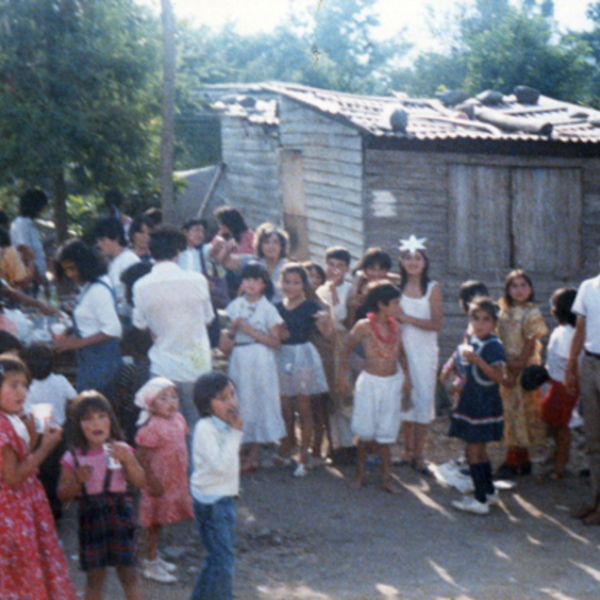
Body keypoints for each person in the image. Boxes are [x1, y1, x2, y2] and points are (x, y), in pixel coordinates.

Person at [0, 354, 78, 599]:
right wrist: (46, 447)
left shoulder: (10, 419)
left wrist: (32, 431)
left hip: (22, 506)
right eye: (13, 385)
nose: (21, 391)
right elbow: (12, 477)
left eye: (25, 385)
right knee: (21, 566)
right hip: (12, 510)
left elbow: (25, 451)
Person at [58, 391, 146, 600]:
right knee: (95, 580)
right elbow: (63, 495)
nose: (96, 423)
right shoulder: (73, 456)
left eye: (101, 416)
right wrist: (77, 480)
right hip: (91, 518)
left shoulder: (121, 449)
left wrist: (129, 461)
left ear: (110, 419)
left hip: (120, 517)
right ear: (78, 425)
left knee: (129, 575)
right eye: (88, 419)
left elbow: (139, 482)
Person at [133, 227, 214, 431]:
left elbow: (140, 325)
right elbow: (208, 320)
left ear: (151, 252)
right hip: (197, 366)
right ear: (179, 251)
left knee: (164, 430)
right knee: (197, 427)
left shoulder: (141, 285)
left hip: (163, 367)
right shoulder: (198, 280)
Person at [339, 281, 412, 493]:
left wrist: (407, 378)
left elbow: (402, 354)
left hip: (392, 383)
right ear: (381, 305)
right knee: (364, 433)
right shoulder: (363, 326)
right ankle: (360, 476)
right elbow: (345, 351)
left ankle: (386, 479)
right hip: (369, 383)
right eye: (396, 303)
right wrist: (342, 379)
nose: (399, 307)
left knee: (387, 434)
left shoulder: (395, 326)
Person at [220, 262, 284, 473]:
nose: (251, 284)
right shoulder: (235, 305)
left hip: (261, 358)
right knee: (239, 401)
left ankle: (254, 455)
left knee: (258, 403)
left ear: (264, 284)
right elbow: (227, 338)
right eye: (247, 279)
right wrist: (232, 329)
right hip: (239, 356)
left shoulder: (268, 308)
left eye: (256, 280)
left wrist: (250, 331)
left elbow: (276, 341)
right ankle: (237, 453)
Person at [448, 297, 506, 515]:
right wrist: (459, 382)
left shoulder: (493, 345)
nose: (480, 324)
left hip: (484, 403)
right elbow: (467, 371)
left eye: (486, 319)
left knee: (473, 450)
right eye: (476, 318)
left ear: (493, 323)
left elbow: (499, 376)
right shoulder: (472, 341)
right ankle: (488, 491)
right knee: (479, 450)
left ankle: (479, 500)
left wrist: (479, 361)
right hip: (471, 400)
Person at [190, 371, 243, 600]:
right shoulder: (205, 429)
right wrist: (235, 435)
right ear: (207, 405)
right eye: (223, 399)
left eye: (232, 394)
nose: (231, 402)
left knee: (216, 557)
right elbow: (220, 465)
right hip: (212, 502)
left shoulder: (224, 426)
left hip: (221, 497)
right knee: (223, 560)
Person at [134, 378, 193, 583]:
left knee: (160, 522)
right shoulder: (151, 427)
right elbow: (141, 457)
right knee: (153, 522)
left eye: (174, 396)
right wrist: (151, 480)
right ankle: (149, 562)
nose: (171, 402)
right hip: (158, 482)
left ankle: (154, 556)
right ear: (150, 403)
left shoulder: (178, 419)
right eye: (164, 398)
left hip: (173, 480)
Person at [276, 263, 332, 477]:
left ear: (303, 285)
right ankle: (288, 445)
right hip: (281, 356)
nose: (291, 286)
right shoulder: (276, 306)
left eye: (296, 282)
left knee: (304, 406)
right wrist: (278, 334)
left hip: (302, 356)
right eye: (287, 282)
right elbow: (275, 333)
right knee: (285, 408)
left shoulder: (310, 306)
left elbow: (328, 335)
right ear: (281, 283)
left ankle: (304, 456)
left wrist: (327, 321)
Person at [53, 239, 122, 399]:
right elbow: (90, 318)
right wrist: (68, 331)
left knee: (89, 407)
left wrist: (75, 343)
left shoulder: (98, 290)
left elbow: (113, 329)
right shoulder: (89, 286)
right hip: (90, 361)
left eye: (73, 268)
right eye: (66, 270)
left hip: (101, 364)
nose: (70, 274)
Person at [397, 237, 443, 475]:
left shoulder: (432, 288)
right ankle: (406, 450)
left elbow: (436, 323)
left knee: (424, 400)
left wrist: (408, 318)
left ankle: (419, 453)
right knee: (407, 398)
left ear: (425, 262)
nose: (413, 262)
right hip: (402, 351)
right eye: (408, 258)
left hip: (424, 351)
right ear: (401, 262)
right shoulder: (396, 288)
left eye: (417, 258)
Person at [496, 270, 548, 478]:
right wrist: (505, 362)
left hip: (522, 368)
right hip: (506, 364)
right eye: (514, 286)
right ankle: (522, 458)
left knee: (521, 413)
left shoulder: (532, 312)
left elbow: (530, 341)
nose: (519, 290)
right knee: (510, 412)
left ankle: (512, 459)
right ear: (508, 290)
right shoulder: (504, 310)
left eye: (523, 285)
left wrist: (517, 365)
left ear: (531, 288)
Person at [22, 342, 77, 519]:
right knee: (57, 472)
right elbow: (74, 400)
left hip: (39, 436)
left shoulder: (28, 388)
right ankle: (56, 510)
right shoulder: (60, 381)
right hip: (60, 434)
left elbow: (28, 416)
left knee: (42, 474)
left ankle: (44, 511)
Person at [566, 254, 600, 525]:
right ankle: (596, 500)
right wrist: (570, 365)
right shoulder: (589, 287)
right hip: (590, 363)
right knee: (593, 438)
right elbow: (580, 329)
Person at [315, 247, 354, 462]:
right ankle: (334, 446)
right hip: (326, 344)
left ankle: (349, 444)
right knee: (329, 393)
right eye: (331, 265)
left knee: (345, 391)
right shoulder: (320, 291)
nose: (334, 270)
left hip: (345, 343)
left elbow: (346, 318)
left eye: (340, 266)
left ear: (346, 268)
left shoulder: (350, 290)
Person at [540, 288, 579, 480]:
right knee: (553, 423)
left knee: (561, 427)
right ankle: (558, 457)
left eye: (554, 304)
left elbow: (567, 364)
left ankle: (560, 467)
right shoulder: (564, 331)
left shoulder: (568, 334)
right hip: (556, 383)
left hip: (564, 386)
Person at [304, 261, 334, 463]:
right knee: (302, 405)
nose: (312, 282)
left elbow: (329, 336)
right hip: (297, 359)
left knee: (319, 404)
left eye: (317, 277)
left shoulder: (322, 306)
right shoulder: (291, 302)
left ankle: (318, 447)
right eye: (308, 277)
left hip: (321, 357)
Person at [93, 216, 140, 326]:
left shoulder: (129, 260)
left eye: (102, 240)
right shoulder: (111, 262)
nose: (99, 245)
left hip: (128, 320)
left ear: (116, 238)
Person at [10, 188, 49, 296]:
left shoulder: (29, 224)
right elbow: (26, 255)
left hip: (35, 279)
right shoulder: (21, 225)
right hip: (29, 281)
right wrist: (40, 281)